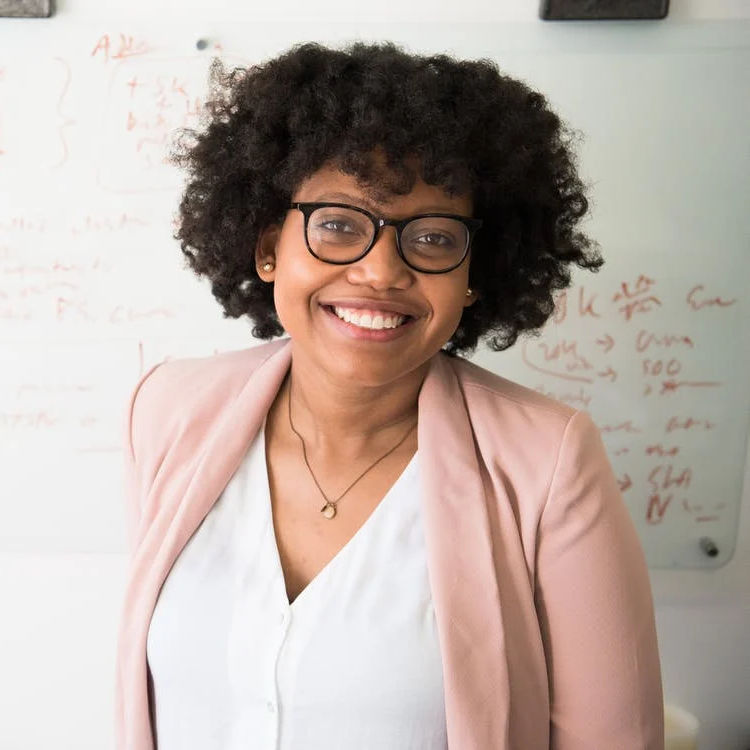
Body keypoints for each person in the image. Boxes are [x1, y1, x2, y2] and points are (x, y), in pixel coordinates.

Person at [114, 41, 664, 750]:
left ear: (474, 273)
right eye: (339, 224)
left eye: (432, 238)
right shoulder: (165, 413)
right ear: (267, 245)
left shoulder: (548, 462)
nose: (380, 271)